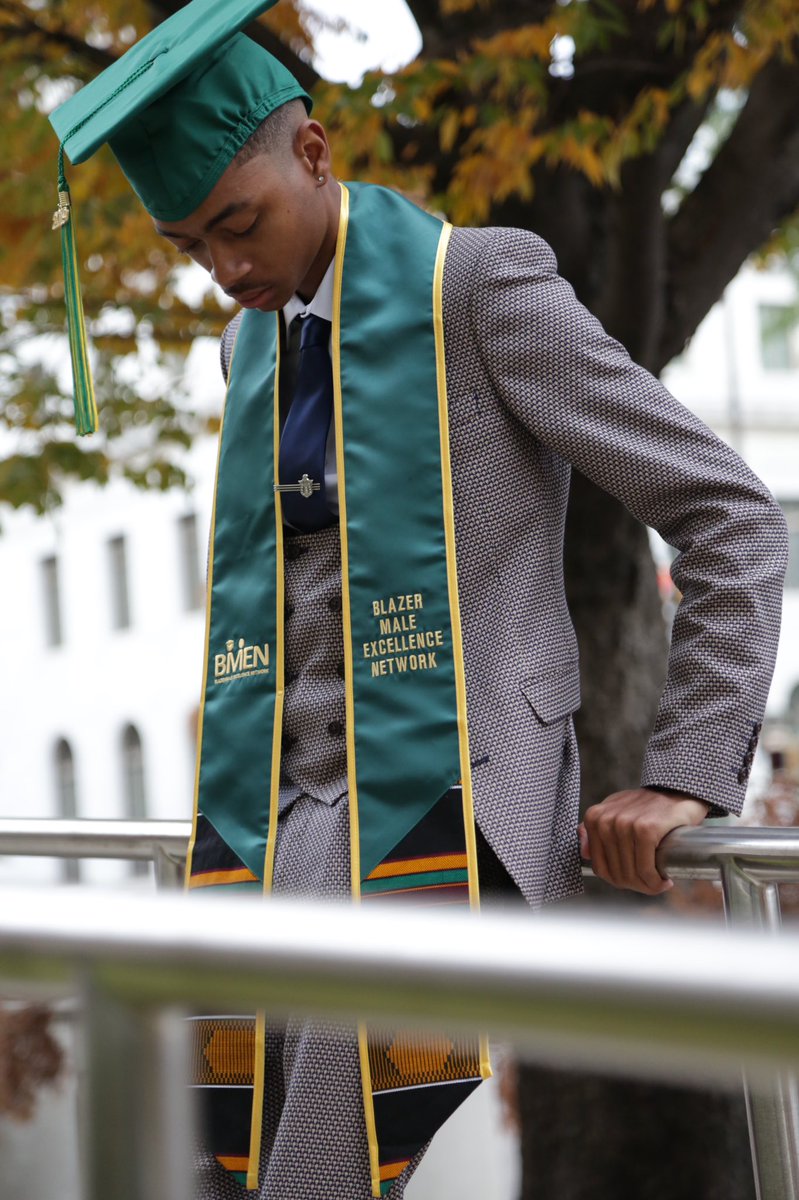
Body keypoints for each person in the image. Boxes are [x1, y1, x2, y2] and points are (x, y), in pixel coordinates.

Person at [48, 1, 788, 1197]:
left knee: (311, 1174)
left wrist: (686, 767)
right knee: (221, 1143)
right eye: (192, 248)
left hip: (453, 798)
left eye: (238, 226)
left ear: (316, 154)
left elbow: (730, 511)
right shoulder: (252, 351)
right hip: (276, 815)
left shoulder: (481, 286)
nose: (227, 270)